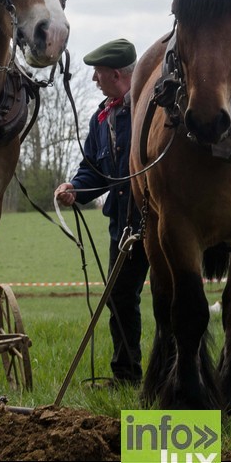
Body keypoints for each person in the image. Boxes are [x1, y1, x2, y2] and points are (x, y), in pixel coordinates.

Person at [54, 39, 148, 386]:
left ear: (116, 74)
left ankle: (175, 373)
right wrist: (75, 189)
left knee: (175, 298)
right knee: (120, 297)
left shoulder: (150, 110)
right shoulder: (102, 118)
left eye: (97, 73)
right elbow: (94, 168)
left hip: (160, 220)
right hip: (122, 224)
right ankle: (126, 376)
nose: (93, 79)